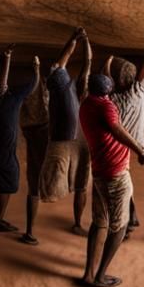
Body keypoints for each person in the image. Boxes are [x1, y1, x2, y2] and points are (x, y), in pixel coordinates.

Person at [78, 72, 144, 287]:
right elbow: (116, 129)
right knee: (119, 226)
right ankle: (100, 276)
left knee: (100, 222)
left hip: (100, 172)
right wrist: (140, 151)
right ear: (108, 91)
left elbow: (114, 124)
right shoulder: (105, 106)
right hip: (115, 174)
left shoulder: (87, 103)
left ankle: (89, 274)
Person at [39, 27, 92, 234]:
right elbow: (82, 62)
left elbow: (70, 61)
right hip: (79, 139)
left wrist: (77, 39)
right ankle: (77, 223)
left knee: (67, 179)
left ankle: (74, 220)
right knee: (80, 184)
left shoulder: (62, 87)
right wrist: (80, 40)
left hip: (66, 139)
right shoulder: (66, 86)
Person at [0, 48, 38, 232]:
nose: (4, 85)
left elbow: (1, 85)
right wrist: (35, 68)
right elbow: (32, 85)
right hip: (5, 149)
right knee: (8, 183)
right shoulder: (11, 100)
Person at [101, 31, 144, 236]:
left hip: (119, 146)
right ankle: (131, 217)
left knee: (120, 183)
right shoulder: (139, 92)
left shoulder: (113, 100)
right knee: (126, 179)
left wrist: (107, 63)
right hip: (137, 143)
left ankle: (126, 221)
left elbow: (106, 82)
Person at [19, 52, 51, 245]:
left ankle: (30, 231)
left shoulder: (32, 99)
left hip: (33, 130)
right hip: (39, 130)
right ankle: (29, 231)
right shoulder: (40, 100)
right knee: (35, 186)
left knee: (34, 186)